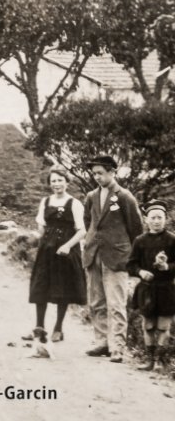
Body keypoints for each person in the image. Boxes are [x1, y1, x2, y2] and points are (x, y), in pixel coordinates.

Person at [83, 155, 143, 363]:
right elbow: (89, 222)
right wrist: (91, 243)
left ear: (112, 172)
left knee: (116, 303)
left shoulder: (125, 197)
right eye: (94, 174)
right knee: (96, 300)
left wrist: (134, 259)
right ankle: (102, 342)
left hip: (117, 257)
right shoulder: (91, 196)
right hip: (94, 254)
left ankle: (117, 347)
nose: (97, 177)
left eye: (101, 173)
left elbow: (136, 229)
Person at [26, 166, 87, 342]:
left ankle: (58, 329)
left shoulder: (74, 203)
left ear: (67, 182)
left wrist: (67, 245)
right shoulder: (45, 202)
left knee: (62, 289)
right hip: (47, 251)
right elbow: (41, 226)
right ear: (49, 184)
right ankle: (39, 327)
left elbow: (82, 230)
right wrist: (42, 238)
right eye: (53, 181)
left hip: (66, 251)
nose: (57, 184)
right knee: (41, 286)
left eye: (60, 180)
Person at [127, 199, 175, 372]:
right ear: (146, 219)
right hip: (147, 289)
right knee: (148, 325)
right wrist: (141, 272)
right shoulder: (140, 241)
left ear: (166, 218)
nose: (156, 221)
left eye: (160, 217)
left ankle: (160, 360)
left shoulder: (172, 240)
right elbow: (131, 264)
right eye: (153, 217)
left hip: (166, 289)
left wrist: (167, 267)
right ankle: (149, 359)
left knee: (163, 326)